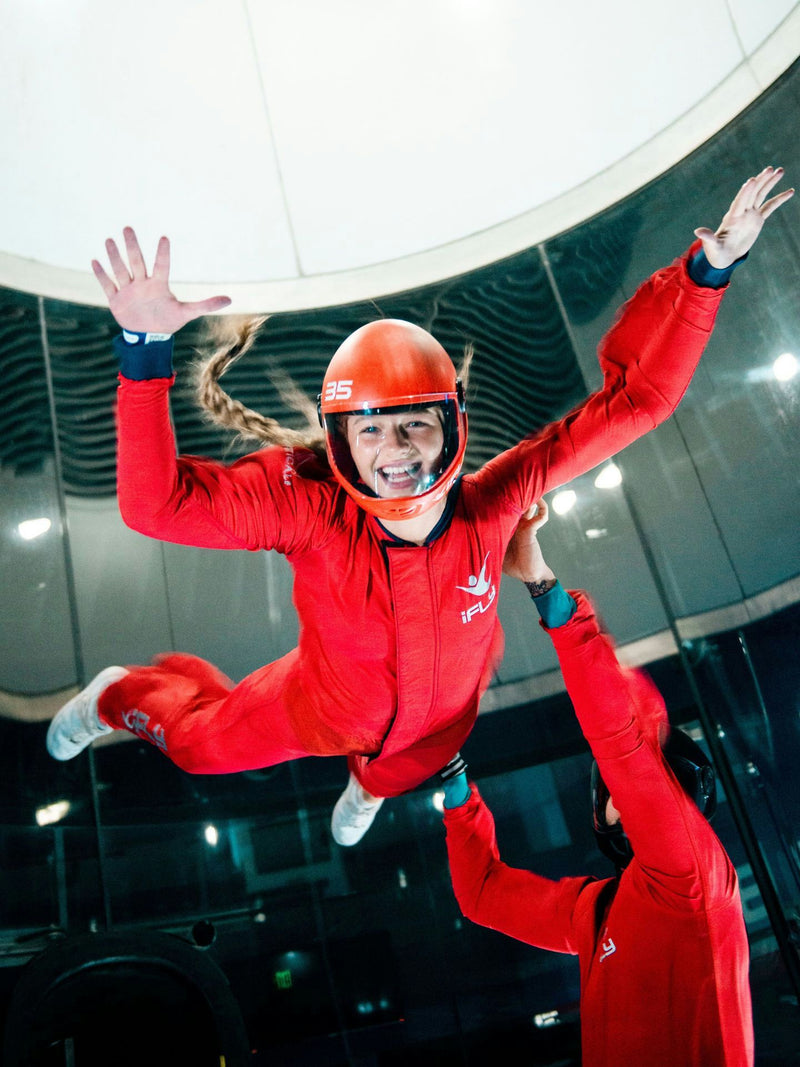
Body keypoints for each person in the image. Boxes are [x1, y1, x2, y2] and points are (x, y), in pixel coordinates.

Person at [46, 168, 792, 850]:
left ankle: (369, 784)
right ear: (341, 436)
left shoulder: (496, 499)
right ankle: (116, 693)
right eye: (371, 427)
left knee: (399, 771)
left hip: (439, 722)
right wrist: (144, 352)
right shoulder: (309, 508)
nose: (394, 447)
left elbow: (637, 402)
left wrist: (707, 271)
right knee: (198, 749)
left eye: (414, 422)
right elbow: (156, 507)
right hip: (318, 704)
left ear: (451, 424)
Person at [441, 499, 753, 1065]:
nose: (624, 794)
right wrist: (452, 781)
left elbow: (623, 732)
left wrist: (542, 583)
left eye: (631, 783)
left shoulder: (693, 875)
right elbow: (483, 895)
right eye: (610, 792)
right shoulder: (597, 910)